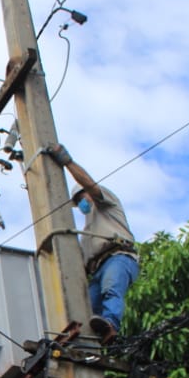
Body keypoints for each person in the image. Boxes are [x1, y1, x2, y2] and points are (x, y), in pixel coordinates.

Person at [43, 143, 139, 344]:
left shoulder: (107, 204)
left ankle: (111, 324)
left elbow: (91, 185)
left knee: (111, 289)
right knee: (87, 308)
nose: (81, 204)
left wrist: (67, 162)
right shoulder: (85, 233)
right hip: (97, 268)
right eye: (76, 202)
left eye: (81, 197)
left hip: (119, 257)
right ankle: (90, 342)